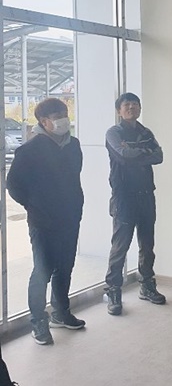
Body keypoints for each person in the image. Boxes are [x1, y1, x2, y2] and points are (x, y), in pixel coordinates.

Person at [7, 98, 85, 345]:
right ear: (43, 121)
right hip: (43, 221)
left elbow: (75, 175)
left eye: (64, 114)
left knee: (65, 266)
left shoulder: (73, 145)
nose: (63, 119)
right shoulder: (30, 149)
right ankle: (38, 321)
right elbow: (14, 185)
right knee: (42, 270)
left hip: (70, 217)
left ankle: (61, 313)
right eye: (56, 116)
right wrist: (35, 206)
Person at [104, 93, 166, 315]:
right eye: (126, 104)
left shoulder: (145, 132)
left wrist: (135, 152)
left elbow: (159, 156)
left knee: (147, 245)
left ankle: (147, 286)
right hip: (124, 197)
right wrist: (144, 151)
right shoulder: (113, 133)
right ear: (119, 110)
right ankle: (113, 291)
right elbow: (122, 155)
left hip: (146, 195)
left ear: (139, 108)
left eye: (135, 104)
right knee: (120, 247)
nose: (131, 107)